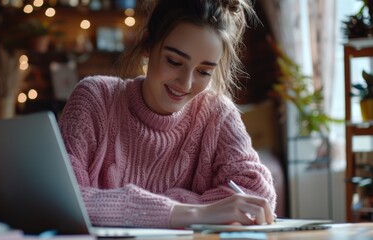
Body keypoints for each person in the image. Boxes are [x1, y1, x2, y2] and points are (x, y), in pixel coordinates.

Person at [58, 0, 276, 229]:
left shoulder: (217, 114)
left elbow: (258, 197)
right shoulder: (95, 99)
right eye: (174, 61)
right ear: (148, 45)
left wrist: (153, 210)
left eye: (204, 71)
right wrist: (192, 213)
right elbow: (63, 200)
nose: (186, 82)